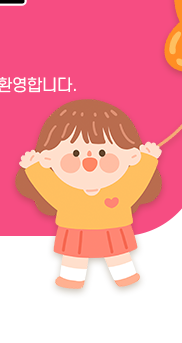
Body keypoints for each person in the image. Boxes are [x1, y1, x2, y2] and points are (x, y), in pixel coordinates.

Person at [17, 99, 162, 298]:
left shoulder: (119, 191)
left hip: (110, 229)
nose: (89, 162)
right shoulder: (67, 196)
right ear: (49, 158)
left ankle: (125, 278)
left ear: (130, 156)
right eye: (75, 153)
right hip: (79, 231)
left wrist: (147, 160)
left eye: (103, 152)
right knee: (74, 260)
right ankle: (72, 281)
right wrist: (34, 169)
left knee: (118, 257)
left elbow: (137, 182)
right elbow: (48, 187)